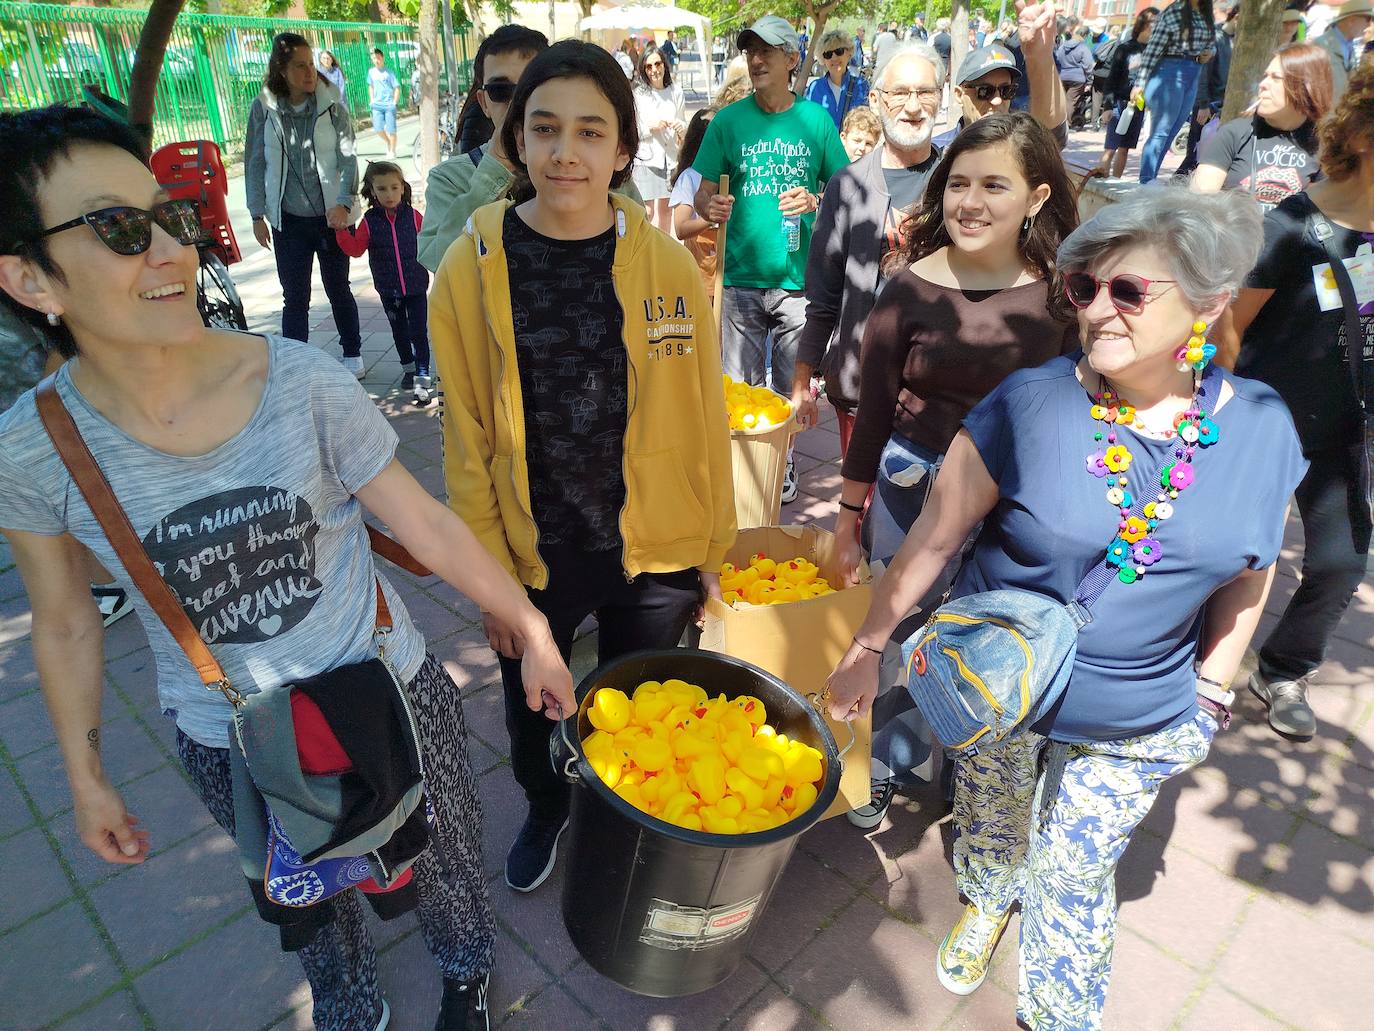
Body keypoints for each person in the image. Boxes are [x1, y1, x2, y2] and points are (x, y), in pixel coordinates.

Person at [0, 103, 577, 1031]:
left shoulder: (301, 381)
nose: (172, 253)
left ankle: (465, 966)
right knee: (304, 881)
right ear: (30, 277)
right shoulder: (35, 449)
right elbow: (64, 619)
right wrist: (83, 773)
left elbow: (422, 520)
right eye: (118, 228)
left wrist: (533, 626)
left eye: (170, 217)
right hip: (226, 722)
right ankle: (350, 997)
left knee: (443, 850)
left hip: (388, 683)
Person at [827, 185, 1304, 1026]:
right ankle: (985, 895)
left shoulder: (1262, 427)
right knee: (992, 811)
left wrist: (1214, 687)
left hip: (1143, 707)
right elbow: (933, 540)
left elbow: (1252, 565)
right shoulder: (1029, 402)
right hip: (1000, 681)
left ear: (1210, 302)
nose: (1098, 311)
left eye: (1129, 291)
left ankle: (1055, 1009)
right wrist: (868, 647)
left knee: (1077, 869)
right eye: (1084, 288)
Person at [429, 40, 736, 894]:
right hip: (539, 546)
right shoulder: (471, 264)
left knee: (650, 697)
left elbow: (704, 416)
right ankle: (546, 803)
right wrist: (493, 585)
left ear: (624, 151)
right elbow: (465, 441)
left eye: (591, 132)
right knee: (537, 703)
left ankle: (629, 814)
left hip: (655, 540)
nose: (567, 152)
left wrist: (715, 546)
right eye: (546, 128)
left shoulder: (668, 265)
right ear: (517, 141)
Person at [830, 113, 1080, 826]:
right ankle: (887, 760)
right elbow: (872, 411)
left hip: (1018, 494)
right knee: (902, 627)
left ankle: (968, 759)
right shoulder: (908, 289)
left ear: (1034, 197)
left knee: (989, 631)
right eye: (959, 184)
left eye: (994, 185)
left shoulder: (1063, 294)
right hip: (915, 485)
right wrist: (849, 518)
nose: (970, 202)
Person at [1217, 65, 1374, 739]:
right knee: (1227, 551)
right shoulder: (1291, 225)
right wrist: (1222, 417)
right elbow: (1228, 328)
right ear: (1364, 135)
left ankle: (1284, 667)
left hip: (1343, 429)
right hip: (1263, 419)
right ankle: (1189, 667)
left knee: (1342, 560)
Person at [693, 15, 849, 504]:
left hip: (797, 281)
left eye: (767, 52)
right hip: (738, 278)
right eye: (750, 52)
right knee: (739, 388)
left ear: (791, 59)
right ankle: (743, 471)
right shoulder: (727, 122)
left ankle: (781, 462)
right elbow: (700, 194)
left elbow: (847, 191)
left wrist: (816, 202)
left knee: (788, 388)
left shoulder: (815, 122)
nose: (756, 61)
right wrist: (709, 206)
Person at [795, 43, 948, 456]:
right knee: (860, 507)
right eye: (900, 93)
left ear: (942, 95)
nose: (913, 106)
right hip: (861, 383)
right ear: (877, 100)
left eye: (925, 92)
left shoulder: (957, 182)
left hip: (939, 392)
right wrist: (802, 379)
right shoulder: (847, 185)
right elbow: (824, 296)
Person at [419, 26, 638, 272]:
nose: (516, 103)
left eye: (529, 88)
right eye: (500, 90)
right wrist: (494, 169)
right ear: (484, 103)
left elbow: (639, 242)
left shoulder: (591, 161)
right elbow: (440, 262)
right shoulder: (451, 178)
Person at [245, 33, 364, 377]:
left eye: (311, 64)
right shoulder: (264, 108)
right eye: (300, 65)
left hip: (332, 217)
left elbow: (348, 158)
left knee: (338, 287)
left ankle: (353, 353)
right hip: (289, 220)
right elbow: (254, 161)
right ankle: (296, 362)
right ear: (281, 70)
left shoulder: (332, 105)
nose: (310, 72)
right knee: (294, 296)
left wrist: (344, 203)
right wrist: (256, 213)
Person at [1190, 42, 1332, 210]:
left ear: (1307, 87)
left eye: (1276, 78)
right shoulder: (1234, 133)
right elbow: (1197, 206)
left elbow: (1327, 210)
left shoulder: (1322, 143)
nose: (1263, 84)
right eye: (1265, 76)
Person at [336, 161, 432, 406]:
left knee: (419, 332)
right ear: (372, 190)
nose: (389, 195)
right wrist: (341, 231)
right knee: (399, 331)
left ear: (403, 188)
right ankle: (409, 369)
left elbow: (429, 243)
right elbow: (356, 249)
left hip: (416, 286)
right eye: (382, 189)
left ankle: (422, 377)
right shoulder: (369, 221)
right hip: (388, 290)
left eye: (394, 187)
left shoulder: (414, 216)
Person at [933, 7, 1069, 152]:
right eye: (985, 91)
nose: (997, 100)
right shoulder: (937, 153)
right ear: (959, 95)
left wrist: (1040, 56)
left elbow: (1053, 138)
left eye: (1006, 91)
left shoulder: (1021, 148)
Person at [1131, 0, 1217, 183]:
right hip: (1169, 70)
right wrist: (1139, 83)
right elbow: (1152, 50)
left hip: (1194, 71)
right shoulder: (1174, 12)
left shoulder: (1205, 14)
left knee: (1172, 132)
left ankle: (1150, 180)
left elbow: (1212, 44)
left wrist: (1210, 52)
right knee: (1160, 132)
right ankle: (1146, 181)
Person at [1097, 8, 1160, 178]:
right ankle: (1099, 180)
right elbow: (1112, 79)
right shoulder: (1125, 48)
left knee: (1124, 149)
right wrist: (1108, 106)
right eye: (1153, 22)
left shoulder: (1155, 51)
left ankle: (1115, 183)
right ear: (1143, 24)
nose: (1155, 25)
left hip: (1138, 106)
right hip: (1120, 103)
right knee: (1110, 148)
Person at [1175, 0, 1236, 177]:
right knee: (1195, 153)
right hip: (1208, 104)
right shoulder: (1215, 38)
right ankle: (1176, 186)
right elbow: (1203, 73)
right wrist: (1203, 104)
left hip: (1221, 106)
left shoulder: (1235, 41)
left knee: (1206, 154)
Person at [632, 42, 687, 234]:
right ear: (643, 70)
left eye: (657, 64)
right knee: (645, 210)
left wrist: (681, 127)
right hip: (647, 158)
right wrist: (650, 127)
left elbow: (683, 121)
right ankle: (643, 248)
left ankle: (662, 251)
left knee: (666, 210)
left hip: (670, 159)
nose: (654, 70)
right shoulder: (639, 94)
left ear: (665, 64)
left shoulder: (676, 92)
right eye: (649, 66)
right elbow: (633, 128)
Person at [670, 106, 719, 294]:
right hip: (703, 274)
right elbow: (681, 228)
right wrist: (711, 218)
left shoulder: (734, 172)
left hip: (733, 273)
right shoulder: (689, 177)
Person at [804, 28, 871, 129]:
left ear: (849, 53)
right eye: (828, 54)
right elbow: (808, 124)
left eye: (839, 51)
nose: (834, 57)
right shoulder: (815, 88)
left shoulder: (862, 85)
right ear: (823, 59)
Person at [1313, 0, 1372, 98]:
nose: (1369, 24)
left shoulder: (1350, 45)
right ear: (1351, 21)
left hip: (1342, 110)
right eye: (1368, 19)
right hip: (1325, 111)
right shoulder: (1320, 45)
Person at [1055, 24, 1096, 129]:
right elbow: (1088, 66)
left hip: (1062, 75)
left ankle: (1056, 122)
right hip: (1078, 78)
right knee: (1071, 101)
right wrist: (1090, 81)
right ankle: (1066, 124)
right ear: (1085, 35)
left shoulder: (1063, 46)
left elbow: (1057, 58)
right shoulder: (1083, 47)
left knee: (1061, 100)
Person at [367, 48, 399, 159]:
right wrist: (372, 99)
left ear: (382, 58)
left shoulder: (389, 72)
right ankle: (389, 142)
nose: (376, 60)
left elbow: (396, 87)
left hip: (389, 104)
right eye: (374, 58)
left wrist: (394, 102)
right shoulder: (371, 72)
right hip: (377, 105)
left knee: (391, 129)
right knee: (378, 128)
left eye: (378, 57)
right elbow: (370, 86)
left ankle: (392, 150)